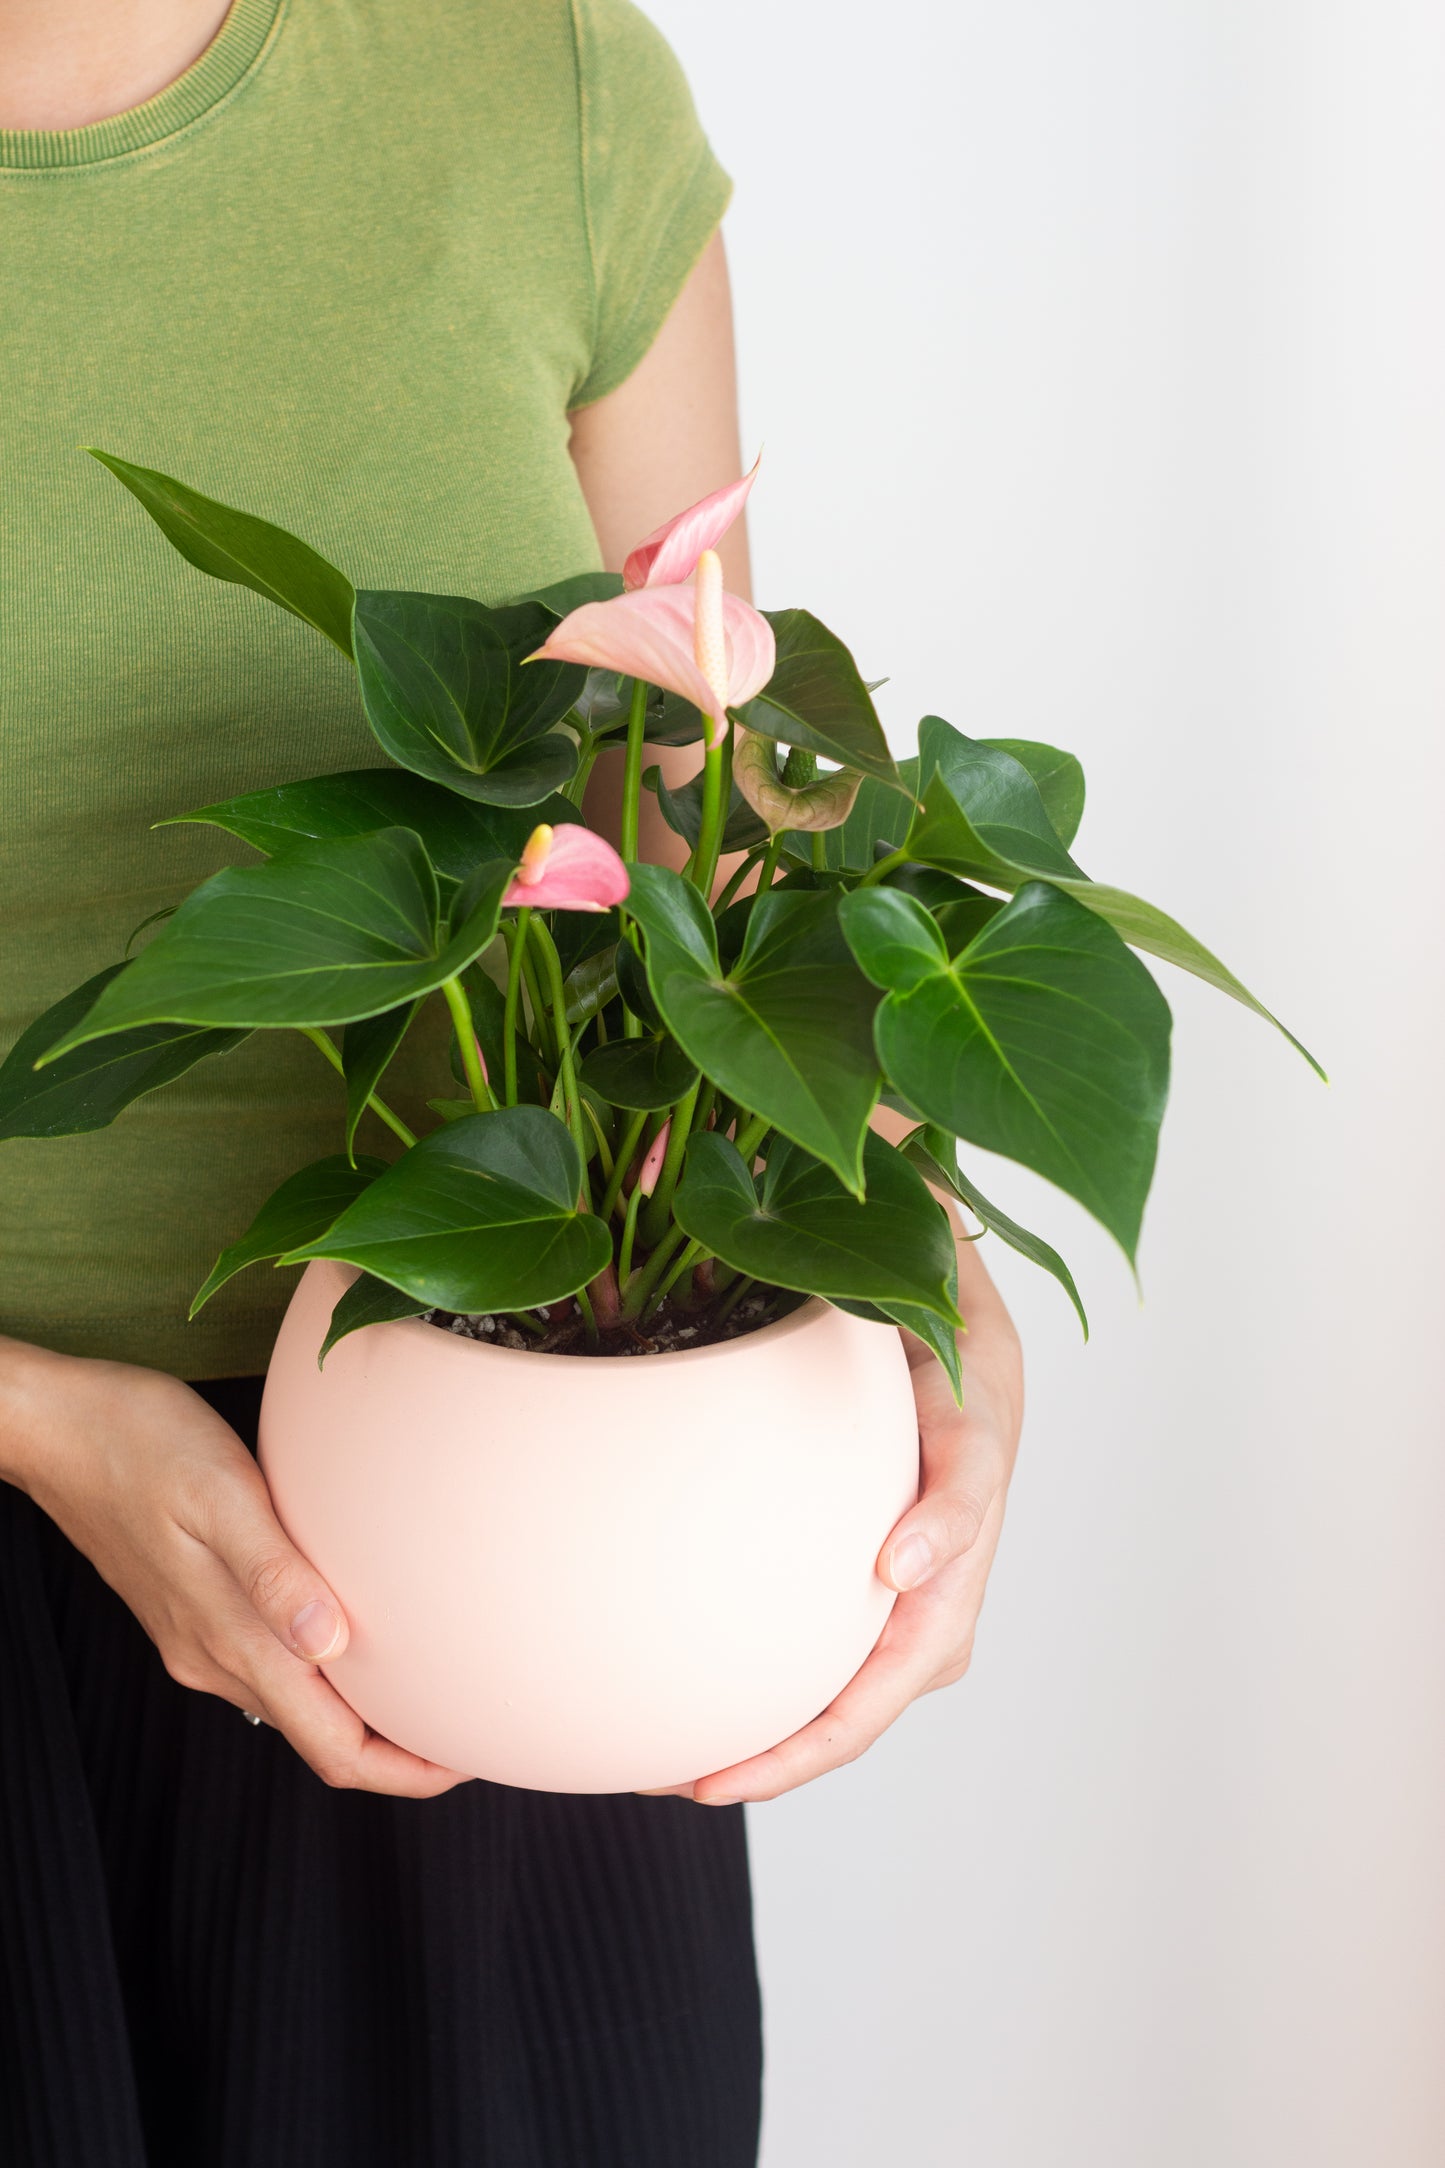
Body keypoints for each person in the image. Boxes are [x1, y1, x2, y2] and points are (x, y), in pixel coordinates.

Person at [0, 2, 1024, 2162]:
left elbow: (720, 839)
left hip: (497, 1558)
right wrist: (38, 1419)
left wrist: (931, 1287)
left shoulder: (528, 79)